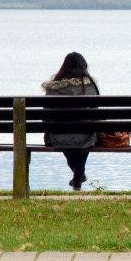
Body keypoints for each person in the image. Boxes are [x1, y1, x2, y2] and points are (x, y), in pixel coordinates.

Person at [42, 52, 98, 191]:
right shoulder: (89, 87)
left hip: (57, 137)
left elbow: (46, 115)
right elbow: (95, 113)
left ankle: (77, 175)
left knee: (63, 134)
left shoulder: (53, 88)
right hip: (85, 136)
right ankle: (78, 175)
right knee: (87, 132)